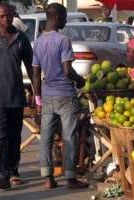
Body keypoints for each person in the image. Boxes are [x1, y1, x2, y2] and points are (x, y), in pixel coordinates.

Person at [32, 3, 88, 189]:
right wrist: (79, 80)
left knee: (46, 136)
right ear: (56, 17)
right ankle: (70, 177)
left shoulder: (38, 41)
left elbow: (35, 73)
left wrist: (38, 98)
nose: (65, 21)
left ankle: (48, 177)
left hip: (47, 96)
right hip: (65, 94)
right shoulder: (63, 40)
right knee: (69, 136)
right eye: (63, 17)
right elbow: (67, 70)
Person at [0, 2, 33, 189]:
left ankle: (13, 169)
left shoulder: (21, 38)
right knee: (2, 135)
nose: (6, 19)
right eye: (2, 16)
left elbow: (31, 67)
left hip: (16, 95)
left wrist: (37, 94)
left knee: (14, 136)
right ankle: (3, 172)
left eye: (9, 15)